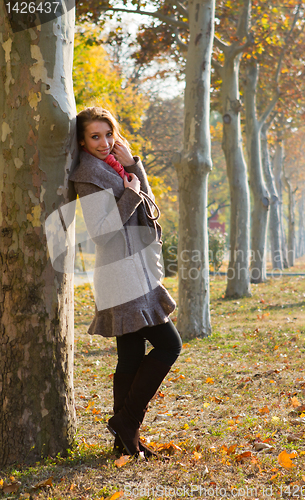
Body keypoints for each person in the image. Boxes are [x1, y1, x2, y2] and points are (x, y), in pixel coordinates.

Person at [69, 107, 182, 458]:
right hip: (120, 271)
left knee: (131, 356)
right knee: (169, 345)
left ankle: (124, 442)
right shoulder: (87, 173)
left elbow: (148, 203)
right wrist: (129, 192)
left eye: (108, 134)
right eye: (95, 137)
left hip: (137, 267)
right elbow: (102, 233)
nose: (104, 143)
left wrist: (133, 165)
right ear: (83, 140)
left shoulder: (116, 165)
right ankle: (127, 422)